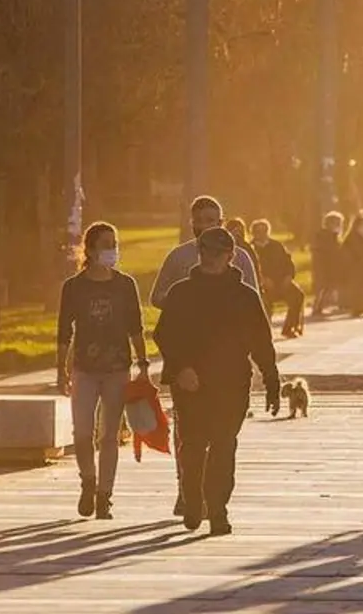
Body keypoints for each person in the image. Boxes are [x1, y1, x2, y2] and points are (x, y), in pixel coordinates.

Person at [155, 228, 282, 535]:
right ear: (199, 254)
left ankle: (218, 510)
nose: (210, 259)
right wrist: (180, 368)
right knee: (194, 446)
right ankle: (193, 496)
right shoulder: (182, 293)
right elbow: (164, 335)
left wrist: (272, 380)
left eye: (217, 254)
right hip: (191, 383)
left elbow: (261, 342)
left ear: (230, 256)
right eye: (205, 253)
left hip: (232, 383)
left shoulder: (245, 296)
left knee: (224, 447)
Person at [55, 221, 149, 521]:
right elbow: (63, 332)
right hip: (84, 368)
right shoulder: (74, 287)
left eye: (115, 243)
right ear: (91, 249)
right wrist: (61, 369)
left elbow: (136, 327)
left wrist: (143, 365)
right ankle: (88, 481)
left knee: (109, 435)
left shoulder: (125, 285)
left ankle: (105, 495)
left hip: (117, 368)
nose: (112, 250)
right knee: (82, 433)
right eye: (106, 244)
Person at [152, 196, 259, 308]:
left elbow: (252, 299)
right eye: (198, 221)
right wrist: (183, 302)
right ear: (192, 223)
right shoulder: (177, 256)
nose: (204, 226)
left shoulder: (241, 256)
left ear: (220, 223)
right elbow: (157, 297)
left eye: (210, 220)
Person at [250, 219, 306, 338]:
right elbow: (252, 268)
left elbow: (288, 263)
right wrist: (263, 280)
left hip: (282, 282)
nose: (261, 234)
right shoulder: (251, 248)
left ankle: (289, 327)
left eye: (264, 231)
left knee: (298, 296)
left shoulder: (276, 246)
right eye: (258, 231)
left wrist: (288, 277)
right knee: (264, 302)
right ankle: (264, 332)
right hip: (264, 286)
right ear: (253, 233)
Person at [311, 211, 345, 317]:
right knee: (323, 286)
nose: (339, 226)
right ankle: (317, 306)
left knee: (328, 287)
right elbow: (329, 251)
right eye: (337, 224)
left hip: (330, 265)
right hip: (325, 265)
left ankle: (321, 305)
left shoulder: (331, 236)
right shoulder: (325, 236)